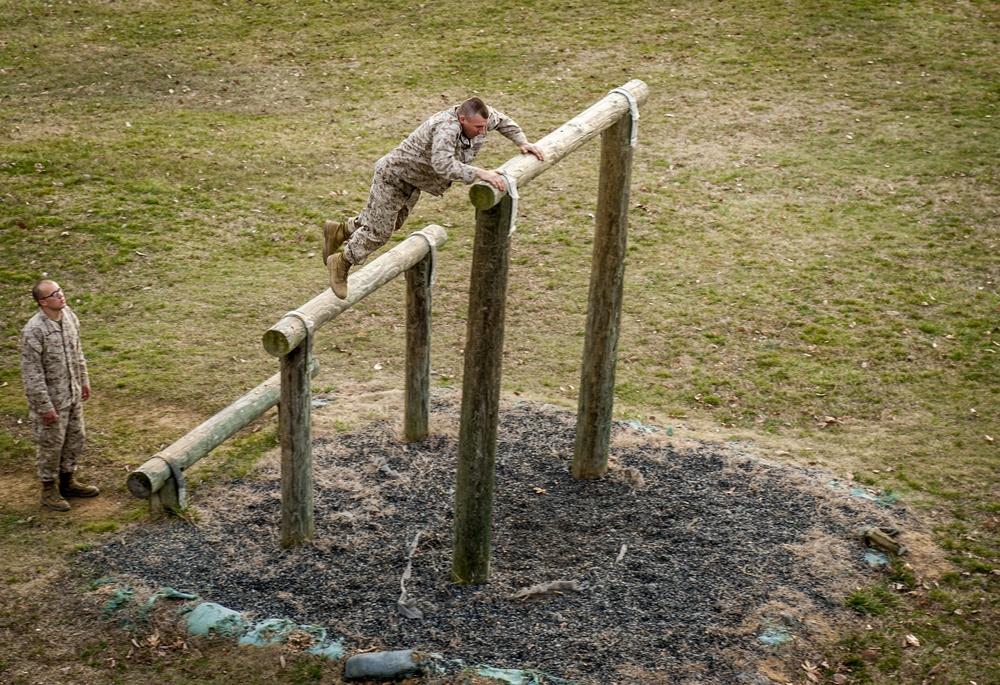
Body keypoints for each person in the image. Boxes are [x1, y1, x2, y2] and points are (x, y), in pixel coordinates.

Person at [322, 96, 546, 298]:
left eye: (484, 127)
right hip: (393, 176)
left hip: (413, 181)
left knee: (393, 222)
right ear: (461, 119)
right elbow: (443, 165)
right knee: (379, 231)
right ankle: (341, 262)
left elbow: (503, 120)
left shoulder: (481, 119)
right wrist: (479, 172)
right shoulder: (445, 129)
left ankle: (340, 230)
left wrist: (521, 141)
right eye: (477, 127)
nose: (482, 132)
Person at [20, 280, 100, 511]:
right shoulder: (34, 331)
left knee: (76, 438)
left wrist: (84, 381)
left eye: (60, 290)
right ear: (42, 302)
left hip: (72, 395)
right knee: (51, 445)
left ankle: (68, 481)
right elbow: (32, 373)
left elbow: (78, 352)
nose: (61, 295)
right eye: (54, 294)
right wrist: (44, 406)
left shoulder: (69, 317)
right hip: (52, 401)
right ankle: (48, 489)